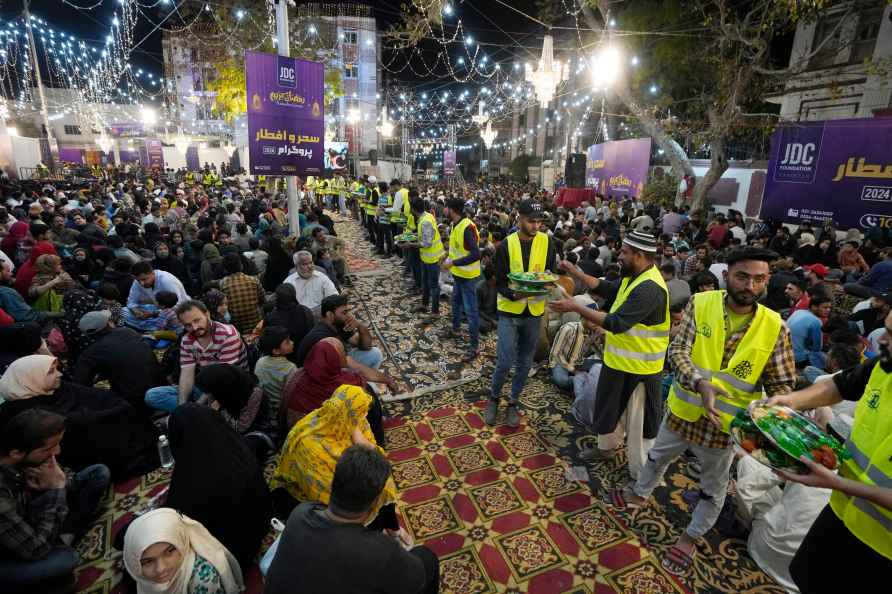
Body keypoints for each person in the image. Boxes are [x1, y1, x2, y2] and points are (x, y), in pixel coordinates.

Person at [603, 247, 797, 576]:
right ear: (726, 276)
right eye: (742, 276)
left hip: (723, 427)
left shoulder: (776, 328)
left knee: (713, 487)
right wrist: (698, 381)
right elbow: (678, 349)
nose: (750, 286)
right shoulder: (701, 302)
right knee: (656, 457)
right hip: (683, 411)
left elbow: (782, 385)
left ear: (767, 282)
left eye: (759, 279)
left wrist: (772, 415)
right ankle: (639, 495)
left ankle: (690, 538)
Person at [763, 308, 892, 592]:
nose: (881, 340)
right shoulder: (885, 364)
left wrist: (837, 482)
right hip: (841, 512)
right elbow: (840, 384)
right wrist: (792, 400)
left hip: (883, 552)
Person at [551, 231, 669, 478]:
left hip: (640, 371)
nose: (619, 255)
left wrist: (576, 306)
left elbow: (616, 323)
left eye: (625, 252)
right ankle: (606, 449)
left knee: (638, 426)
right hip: (618, 362)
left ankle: (641, 477)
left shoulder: (650, 288)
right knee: (609, 409)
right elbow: (606, 287)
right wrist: (575, 272)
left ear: (639, 256)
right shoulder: (634, 277)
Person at [265, 445, 439, 594]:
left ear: (332, 484)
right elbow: (416, 580)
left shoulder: (300, 512)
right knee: (427, 559)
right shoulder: (381, 550)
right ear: (376, 502)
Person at [0, 409, 110, 594]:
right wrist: (56, 489)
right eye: (48, 449)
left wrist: (56, 481)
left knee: (98, 473)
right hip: (9, 553)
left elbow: (67, 479)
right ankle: (66, 536)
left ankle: (65, 534)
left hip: (28, 518)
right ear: (16, 453)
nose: (57, 452)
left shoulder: (24, 459)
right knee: (66, 559)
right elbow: (37, 549)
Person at [0, 355, 159, 480]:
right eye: (51, 372)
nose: (59, 374)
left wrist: (116, 407)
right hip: (79, 446)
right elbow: (74, 423)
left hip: (95, 421)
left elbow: (96, 395)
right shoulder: (23, 412)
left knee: (124, 411)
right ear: (31, 379)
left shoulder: (56, 388)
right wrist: (111, 413)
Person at [269, 386, 399, 528]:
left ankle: (392, 528)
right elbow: (328, 497)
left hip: (339, 487)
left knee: (382, 483)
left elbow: (378, 458)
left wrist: (357, 435)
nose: (364, 416)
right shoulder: (309, 445)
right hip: (305, 499)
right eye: (361, 413)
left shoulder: (350, 420)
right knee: (368, 505)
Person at [164, 404, 272, 571]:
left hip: (224, 559)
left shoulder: (193, 476)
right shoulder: (241, 452)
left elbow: (174, 519)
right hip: (256, 535)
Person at [486, 199, 557, 427]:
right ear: (519, 219)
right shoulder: (507, 245)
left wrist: (546, 285)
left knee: (525, 363)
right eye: (531, 221)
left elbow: (550, 273)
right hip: (510, 310)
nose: (536, 226)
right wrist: (514, 295)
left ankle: (513, 402)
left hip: (534, 311)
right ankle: (494, 397)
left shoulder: (547, 242)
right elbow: (498, 282)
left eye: (539, 222)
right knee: (505, 361)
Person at [144, 300, 247, 413]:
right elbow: (187, 374)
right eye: (188, 325)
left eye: (197, 320)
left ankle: (195, 413)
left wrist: (197, 406)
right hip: (204, 386)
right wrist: (182, 405)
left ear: (207, 314)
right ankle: (190, 413)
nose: (194, 327)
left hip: (229, 387)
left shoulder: (227, 334)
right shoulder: (187, 340)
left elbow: (222, 379)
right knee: (152, 396)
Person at [280, 337, 384, 440]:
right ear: (334, 360)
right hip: (328, 441)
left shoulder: (296, 375)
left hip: (295, 437)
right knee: (367, 398)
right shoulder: (349, 384)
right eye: (343, 353)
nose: (345, 356)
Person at [122, 508, 245, 594]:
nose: (161, 569)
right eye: (147, 562)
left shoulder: (203, 581)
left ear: (182, 543)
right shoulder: (140, 574)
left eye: (169, 552)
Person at [295, 295, 393, 387]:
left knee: (374, 353)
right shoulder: (323, 335)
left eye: (347, 311)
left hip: (332, 366)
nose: (348, 315)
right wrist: (386, 380)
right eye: (344, 312)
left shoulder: (337, 324)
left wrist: (360, 326)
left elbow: (366, 346)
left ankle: (365, 385)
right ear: (330, 314)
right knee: (357, 378)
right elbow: (353, 365)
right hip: (314, 379)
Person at [72, 310, 163, 409]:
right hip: (159, 388)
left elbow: (80, 384)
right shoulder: (129, 332)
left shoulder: (90, 353)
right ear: (109, 323)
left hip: (132, 401)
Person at [441, 197, 481, 360]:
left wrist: (453, 263)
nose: (444, 210)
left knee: (471, 312)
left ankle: (474, 347)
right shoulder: (455, 224)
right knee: (455, 303)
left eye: (446, 207)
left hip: (467, 276)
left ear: (452, 209)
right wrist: (446, 255)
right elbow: (457, 248)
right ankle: (456, 329)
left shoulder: (467, 227)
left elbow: (476, 254)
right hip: (458, 274)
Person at [409, 198, 445, 317]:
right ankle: (424, 305)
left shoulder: (425, 221)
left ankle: (435, 312)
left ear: (413, 209)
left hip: (433, 259)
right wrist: (411, 235)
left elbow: (427, 243)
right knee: (425, 282)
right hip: (426, 258)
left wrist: (410, 244)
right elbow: (424, 235)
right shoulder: (427, 216)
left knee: (434, 286)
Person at [264, 283, 315, 365]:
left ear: (277, 297)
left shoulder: (271, 317)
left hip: (282, 359)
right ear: (294, 295)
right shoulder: (306, 311)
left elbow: (268, 340)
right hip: (305, 354)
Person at [254, 326, 297, 417]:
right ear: (276, 351)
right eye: (287, 342)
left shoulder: (260, 362)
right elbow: (292, 395)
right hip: (282, 411)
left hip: (265, 408)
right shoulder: (290, 368)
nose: (292, 343)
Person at [218, 252, 265, 335]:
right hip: (256, 323)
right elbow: (263, 299)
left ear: (226, 269)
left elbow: (225, 308)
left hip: (237, 327)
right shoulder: (253, 280)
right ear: (241, 265)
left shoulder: (223, 284)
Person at [283, 250, 338, 317]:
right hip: (299, 317)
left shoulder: (321, 277)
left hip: (321, 315)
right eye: (305, 264)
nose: (310, 266)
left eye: (311, 262)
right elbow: (286, 306)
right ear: (296, 266)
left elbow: (333, 295)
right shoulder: (289, 282)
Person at [787, 293, 831, 369]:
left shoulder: (798, 312)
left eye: (829, 308)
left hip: (785, 353)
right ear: (814, 307)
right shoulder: (816, 321)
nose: (828, 310)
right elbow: (817, 348)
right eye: (825, 307)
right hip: (796, 359)